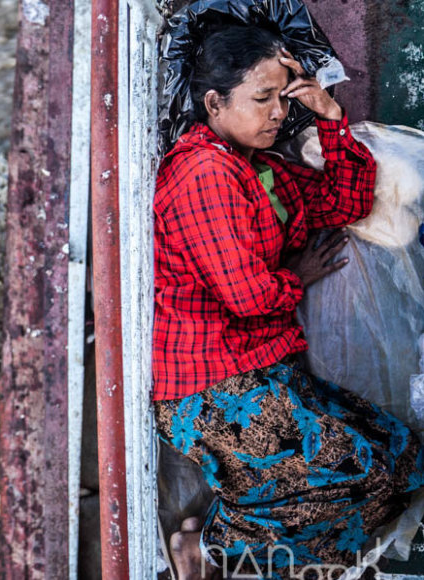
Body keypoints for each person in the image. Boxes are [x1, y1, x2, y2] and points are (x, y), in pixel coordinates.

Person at [153, 25, 424, 579]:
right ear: (214, 102)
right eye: (261, 99)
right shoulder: (203, 173)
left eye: (284, 96)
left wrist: (329, 117)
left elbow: (347, 199)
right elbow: (251, 297)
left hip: (264, 367)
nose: (277, 112)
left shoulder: (262, 167)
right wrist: (295, 275)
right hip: (209, 386)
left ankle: (254, 560)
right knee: (355, 466)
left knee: (400, 464)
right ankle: (211, 548)